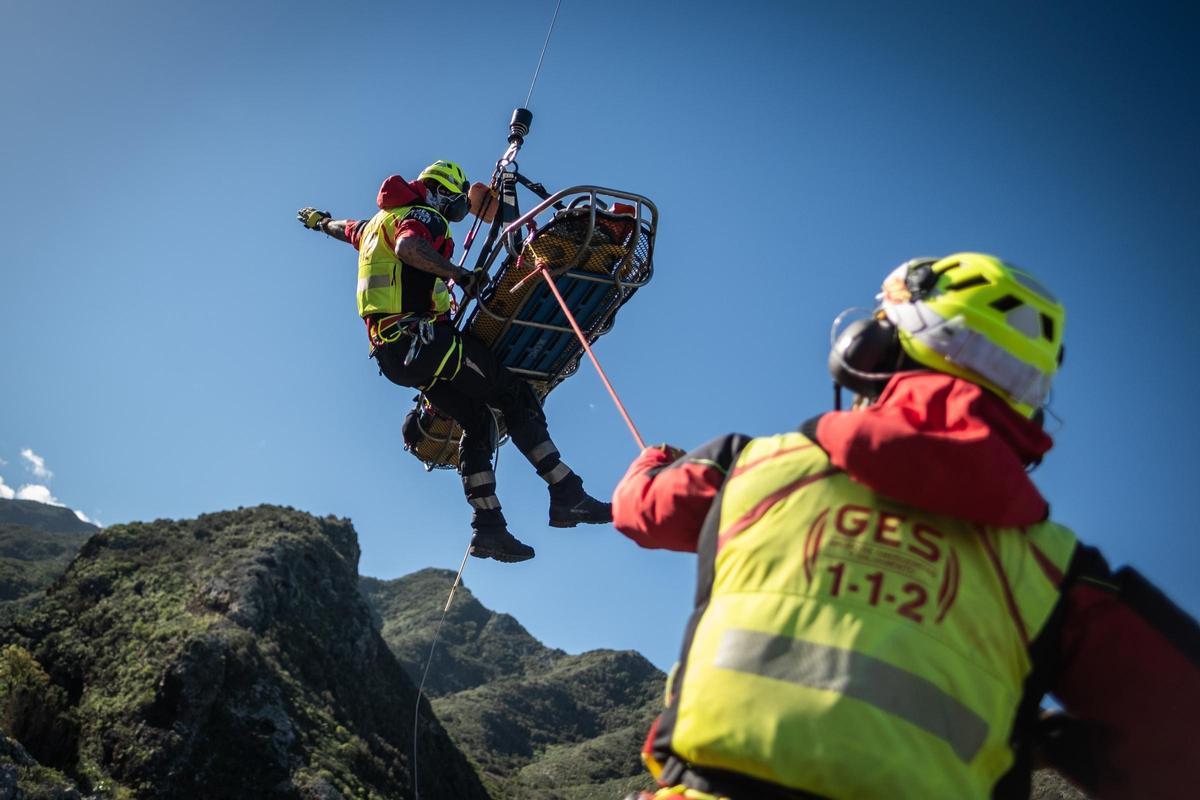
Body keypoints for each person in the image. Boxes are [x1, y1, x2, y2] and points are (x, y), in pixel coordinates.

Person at [612, 253, 1200, 799]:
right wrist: (1055, 742)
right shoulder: (1059, 573)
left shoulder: (749, 464)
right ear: (1027, 411)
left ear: (866, 352)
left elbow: (637, 510)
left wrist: (655, 460)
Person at [297, 160, 611, 563]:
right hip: (425, 342)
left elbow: (346, 229)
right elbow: (410, 248)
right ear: (442, 193)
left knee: (478, 421)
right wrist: (459, 274)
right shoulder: (424, 216)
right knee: (513, 395)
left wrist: (320, 222)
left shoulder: (376, 224)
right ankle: (568, 495)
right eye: (460, 199)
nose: (462, 208)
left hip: (394, 357)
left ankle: (489, 528)